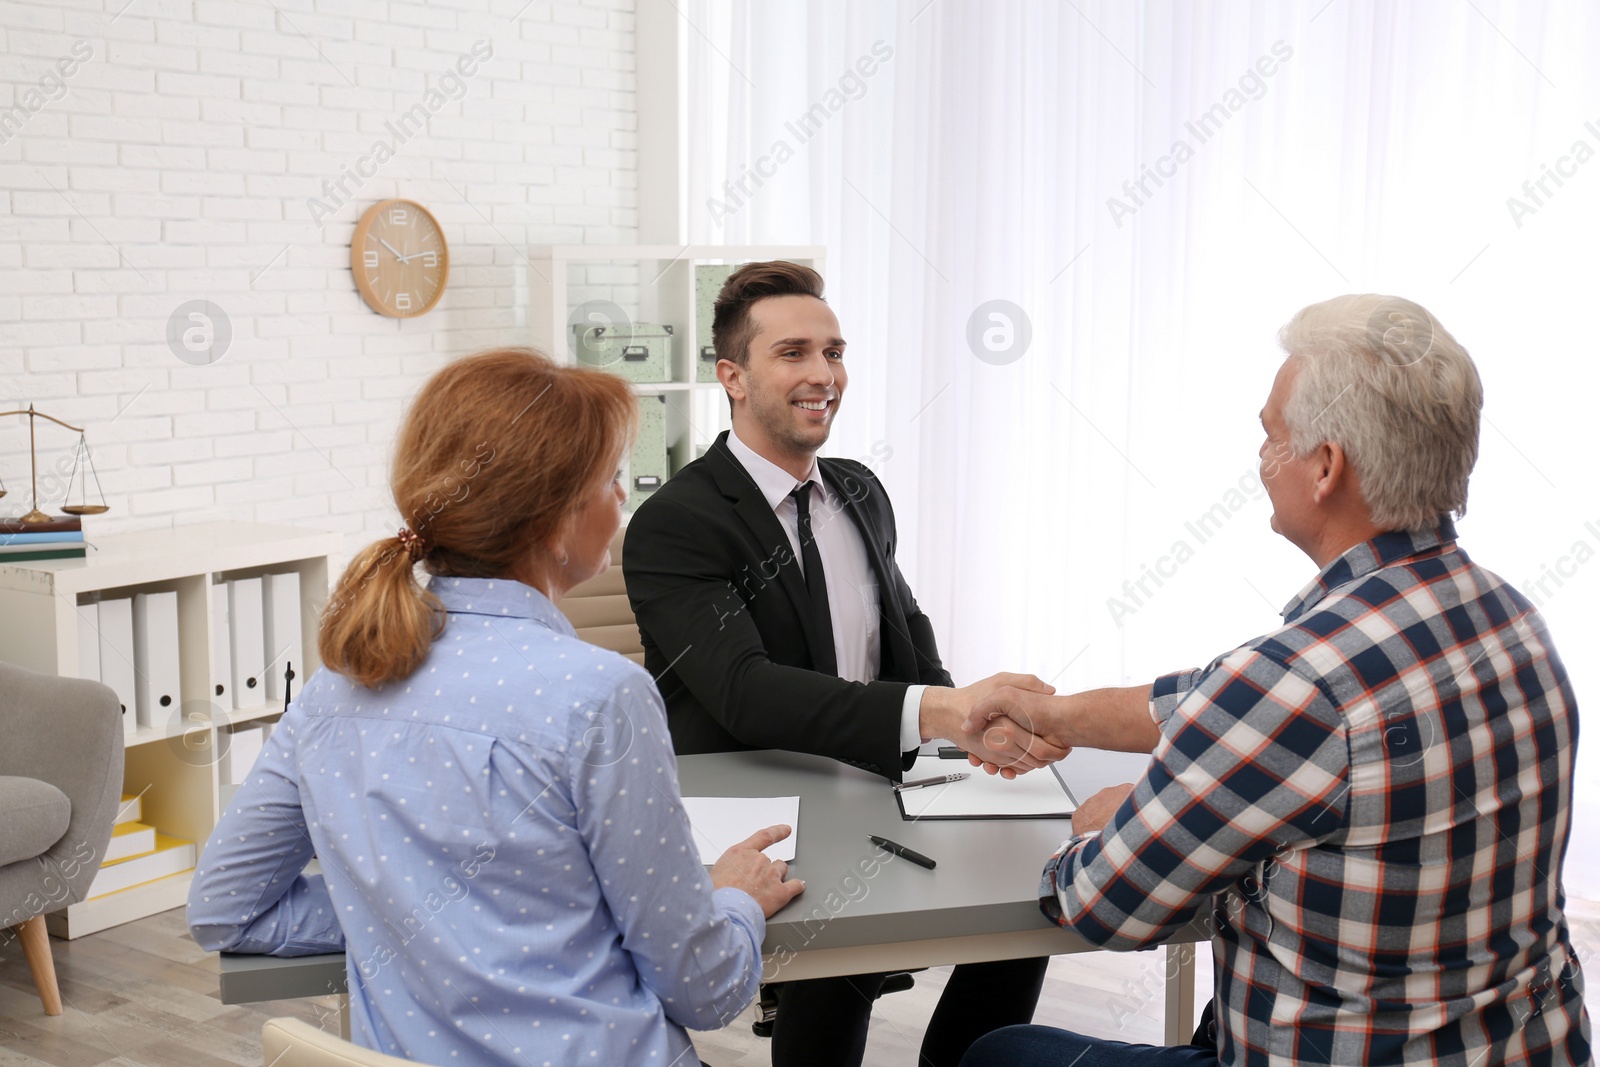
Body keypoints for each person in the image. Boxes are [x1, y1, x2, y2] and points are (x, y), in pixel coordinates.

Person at [960, 296, 1593, 1066]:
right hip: (1526, 1047)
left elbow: (1102, 905)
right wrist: (1051, 713)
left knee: (995, 1052)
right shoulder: (1513, 618)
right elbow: (1211, 698)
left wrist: (1111, 824)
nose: (1261, 460)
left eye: (1271, 436)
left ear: (1325, 467)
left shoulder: (1296, 681)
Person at [187, 349, 804, 1066]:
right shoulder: (601, 693)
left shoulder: (337, 684)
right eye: (610, 481)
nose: (623, 503)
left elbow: (223, 907)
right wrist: (730, 900)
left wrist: (403, 909)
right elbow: (704, 990)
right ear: (553, 522)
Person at [622, 262, 1056, 1067]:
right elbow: (744, 693)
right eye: (793, 352)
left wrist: (973, 728)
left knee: (1032, 892)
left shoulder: (859, 490)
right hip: (763, 799)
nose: (823, 374)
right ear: (734, 377)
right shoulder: (674, 522)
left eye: (834, 350)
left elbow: (909, 638)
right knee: (837, 962)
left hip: (874, 775)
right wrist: (939, 712)